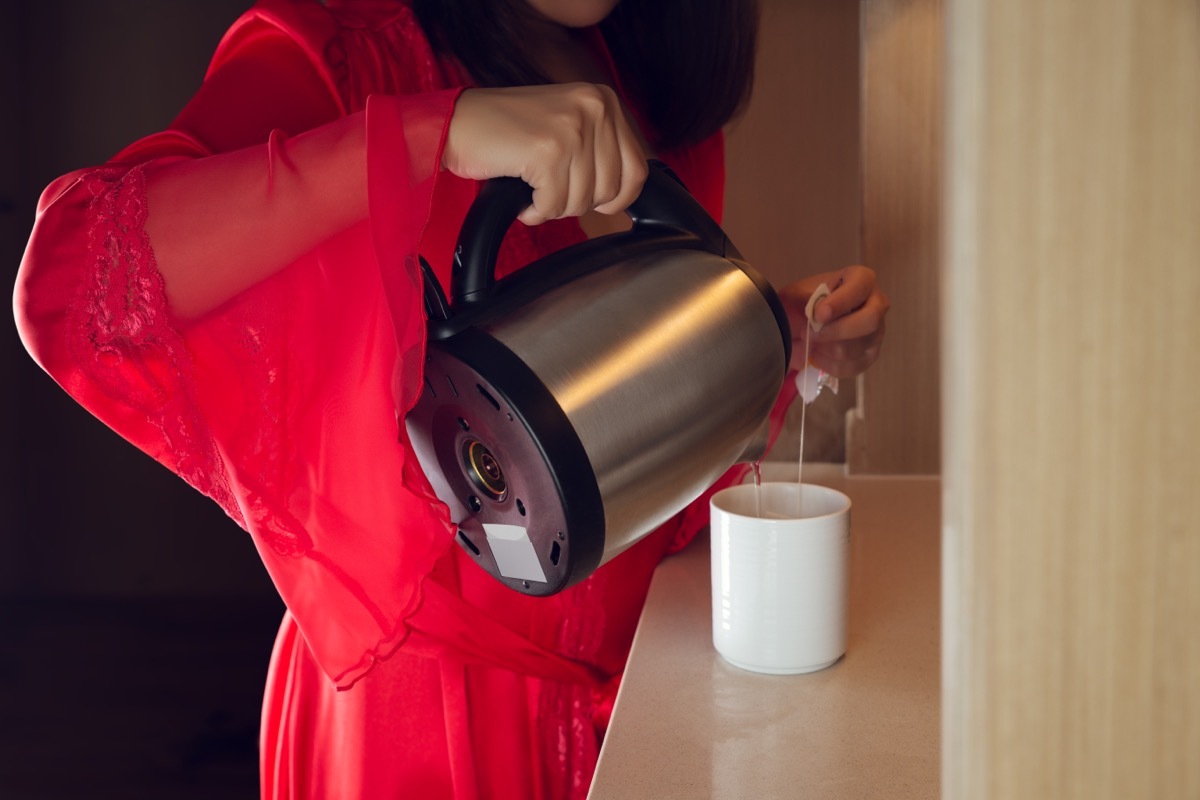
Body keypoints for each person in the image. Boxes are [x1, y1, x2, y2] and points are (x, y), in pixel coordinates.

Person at [13, 0, 888, 797]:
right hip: (419, 725)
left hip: (649, 678)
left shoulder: (649, 73)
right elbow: (73, 280)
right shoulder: (348, 54)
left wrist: (773, 334)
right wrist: (429, 138)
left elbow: (602, 380)